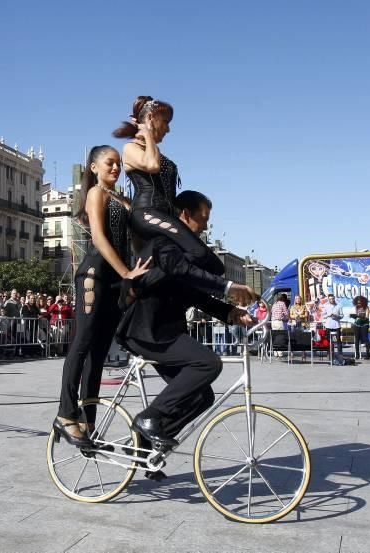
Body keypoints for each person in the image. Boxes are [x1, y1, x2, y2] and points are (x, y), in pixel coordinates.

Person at [116, 190, 253, 451]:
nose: (205, 226)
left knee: (202, 396)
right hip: (147, 330)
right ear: (185, 215)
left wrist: (229, 313)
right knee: (208, 363)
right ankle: (149, 418)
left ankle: (146, 443)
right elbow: (182, 271)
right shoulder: (164, 243)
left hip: (166, 332)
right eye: (202, 219)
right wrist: (228, 286)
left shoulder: (185, 252)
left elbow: (194, 293)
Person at [54, 145, 150, 448]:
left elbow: (134, 242)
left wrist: (139, 269)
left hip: (114, 280)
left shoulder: (124, 199)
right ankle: (65, 414)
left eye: (119, 164)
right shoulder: (97, 194)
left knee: (98, 354)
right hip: (95, 274)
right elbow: (98, 237)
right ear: (93, 167)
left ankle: (89, 421)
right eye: (109, 163)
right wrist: (126, 272)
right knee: (82, 344)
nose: (116, 168)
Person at [114, 96, 223, 280]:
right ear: (150, 118)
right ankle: (137, 285)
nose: (168, 129)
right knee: (199, 254)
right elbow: (152, 166)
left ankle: (156, 278)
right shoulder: (130, 148)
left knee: (215, 266)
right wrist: (147, 133)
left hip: (165, 217)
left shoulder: (153, 151)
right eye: (165, 122)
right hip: (146, 213)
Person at [350, 295, 370, 360]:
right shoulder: (356, 307)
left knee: (365, 338)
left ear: (363, 302)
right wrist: (354, 316)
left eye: (360, 303)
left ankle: (368, 354)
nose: (359, 304)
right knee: (356, 339)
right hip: (357, 324)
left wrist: (361, 317)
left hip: (364, 323)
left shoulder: (366, 307)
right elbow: (356, 315)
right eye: (358, 303)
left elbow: (367, 317)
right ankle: (357, 355)